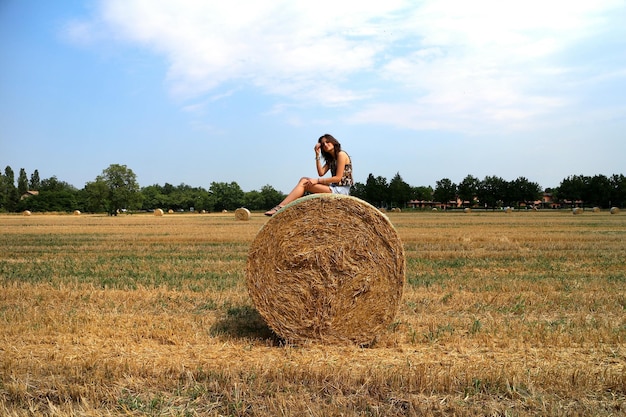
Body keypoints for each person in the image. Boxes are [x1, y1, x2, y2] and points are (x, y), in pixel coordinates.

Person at [265, 134, 353, 216]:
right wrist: (317, 155)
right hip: (334, 187)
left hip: (341, 190)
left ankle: (281, 207)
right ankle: (283, 206)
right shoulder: (331, 159)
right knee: (303, 179)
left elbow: (338, 178)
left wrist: (317, 180)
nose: (325, 145)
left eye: (327, 142)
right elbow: (321, 173)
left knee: (304, 183)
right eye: (323, 144)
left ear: (333, 142)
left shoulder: (341, 154)